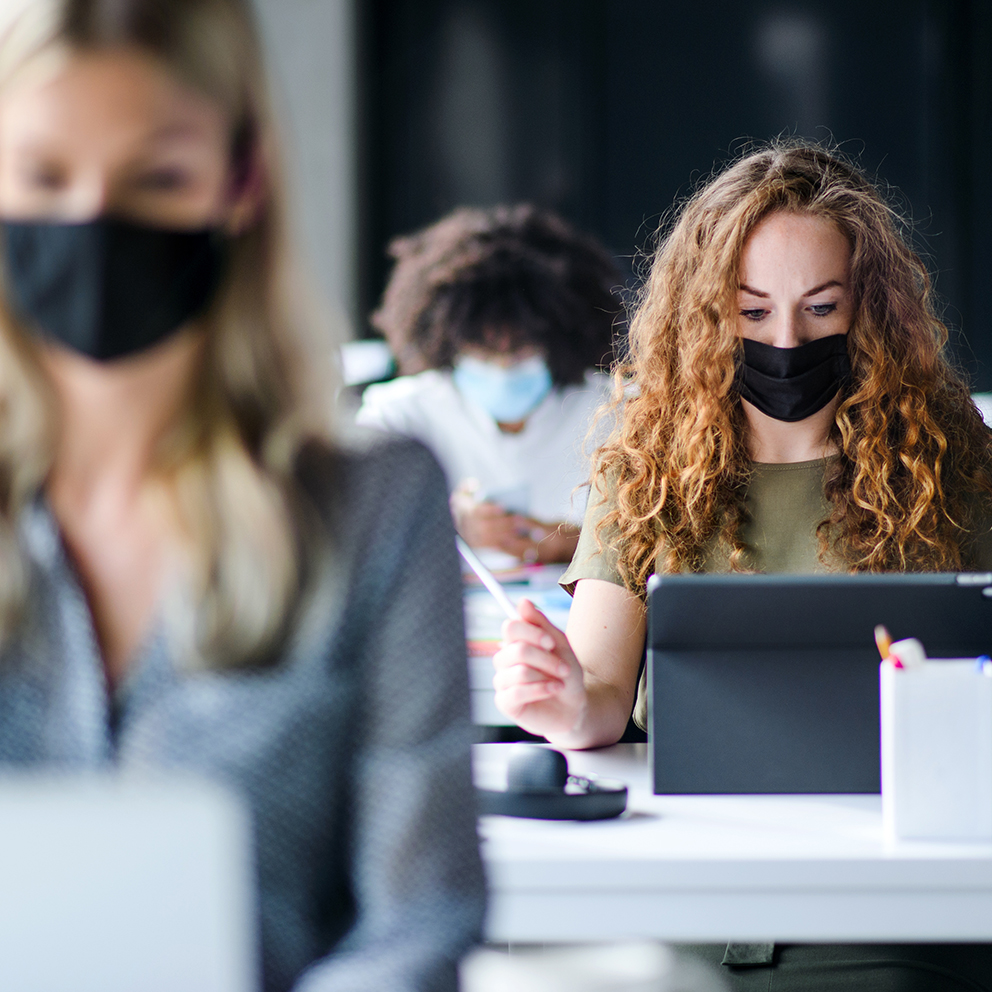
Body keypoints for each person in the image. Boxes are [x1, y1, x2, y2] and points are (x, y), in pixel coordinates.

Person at [0, 2, 484, 991]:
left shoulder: (376, 512)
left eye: (156, 177)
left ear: (241, 181)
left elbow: (416, 923)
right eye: (45, 176)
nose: (96, 221)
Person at [495, 143, 992, 989]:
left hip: (883, 908)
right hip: (683, 898)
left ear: (869, 311)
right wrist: (564, 698)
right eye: (752, 312)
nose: (787, 340)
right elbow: (601, 702)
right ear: (707, 312)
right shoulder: (645, 464)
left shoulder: (955, 464)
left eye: (821, 308)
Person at [357, 205, 622, 564]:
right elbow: (356, 531)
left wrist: (580, 545)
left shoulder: (616, 411)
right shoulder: (399, 415)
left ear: (560, 339)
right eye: (482, 352)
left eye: (521, 349)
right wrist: (446, 523)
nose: (502, 368)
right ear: (447, 342)